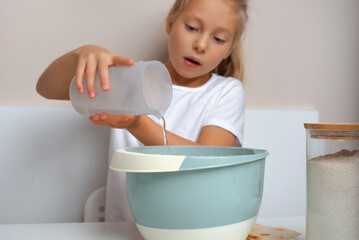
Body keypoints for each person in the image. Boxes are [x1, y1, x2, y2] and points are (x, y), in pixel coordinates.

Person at [36, 0, 248, 222]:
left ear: (229, 49)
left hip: (193, 229)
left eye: (218, 39)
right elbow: (45, 89)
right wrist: (81, 54)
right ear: (170, 22)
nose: (201, 45)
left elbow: (207, 162)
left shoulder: (226, 91)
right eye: (192, 28)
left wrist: (137, 124)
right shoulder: (130, 81)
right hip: (121, 230)